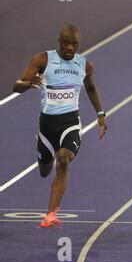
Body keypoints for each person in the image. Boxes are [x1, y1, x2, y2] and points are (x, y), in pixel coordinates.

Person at [13, 24, 108, 229]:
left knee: (63, 159)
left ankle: (50, 214)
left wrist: (100, 114)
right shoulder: (43, 60)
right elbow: (16, 86)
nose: (70, 47)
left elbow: (91, 88)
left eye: (75, 44)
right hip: (46, 126)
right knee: (44, 171)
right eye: (66, 43)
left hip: (70, 124)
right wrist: (27, 84)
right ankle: (41, 147)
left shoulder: (85, 65)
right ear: (59, 41)